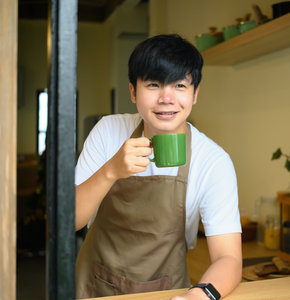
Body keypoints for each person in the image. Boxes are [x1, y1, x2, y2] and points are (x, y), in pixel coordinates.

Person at [75, 34, 242, 300]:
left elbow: (229, 257)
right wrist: (111, 171)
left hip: (170, 292)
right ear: (133, 91)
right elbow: (69, 221)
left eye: (179, 86)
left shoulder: (213, 160)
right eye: (153, 84)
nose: (166, 98)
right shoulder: (108, 131)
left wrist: (199, 296)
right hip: (97, 285)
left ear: (195, 93)